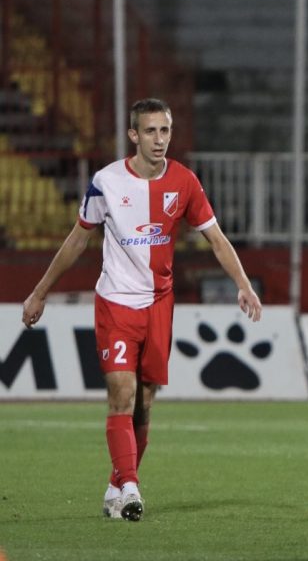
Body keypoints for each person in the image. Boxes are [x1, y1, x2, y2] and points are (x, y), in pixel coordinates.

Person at [21, 97, 262, 522]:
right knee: (122, 394)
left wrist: (243, 285)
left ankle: (118, 484)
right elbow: (78, 239)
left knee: (145, 403)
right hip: (115, 303)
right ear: (134, 135)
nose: (159, 140)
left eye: (165, 131)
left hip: (158, 306)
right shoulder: (107, 181)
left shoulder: (184, 182)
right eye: (150, 131)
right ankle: (132, 488)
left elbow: (217, 239)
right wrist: (40, 292)